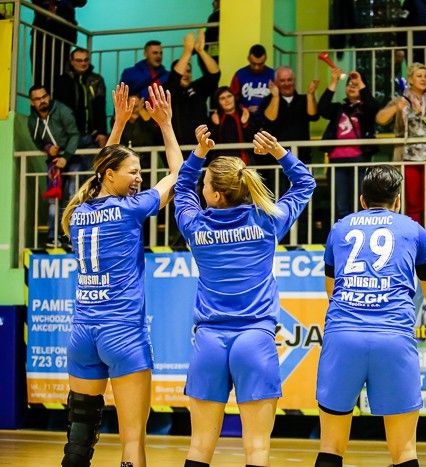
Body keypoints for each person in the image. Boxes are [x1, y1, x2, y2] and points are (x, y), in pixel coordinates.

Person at [58, 82, 183, 467]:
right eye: (134, 171)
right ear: (111, 174)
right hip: (123, 335)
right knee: (133, 442)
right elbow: (177, 173)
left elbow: (100, 173)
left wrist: (118, 125)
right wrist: (165, 124)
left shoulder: (77, 213)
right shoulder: (131, 209)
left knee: (79, 439)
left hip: (83, 336)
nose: (140, 178)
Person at [174, 130, 316, 467]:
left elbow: (181, 187)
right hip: (255, 340)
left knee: (199, 447)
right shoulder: (267, 220)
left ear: (217, 195)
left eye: (205, 184)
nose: (201, 188)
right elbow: (305, 184)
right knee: (257, 448)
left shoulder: (195, 225)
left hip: (209, 341)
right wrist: (280, 152)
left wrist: (198, 154)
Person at [315, 164, 426, 467]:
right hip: (393, 339)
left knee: (330, 447)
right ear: (398, 200)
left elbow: (331, 290)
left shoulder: (340, 228)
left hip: (344, 337)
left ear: (362, 200)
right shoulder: (414, 230)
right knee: (404, 451)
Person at [375, 62, 426, 241]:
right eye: (419, 76)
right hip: (408, 158)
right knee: (412, 203)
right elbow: (380, 119)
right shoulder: (402, 98)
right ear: (411, 79)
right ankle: (414, 240)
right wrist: (395, 108)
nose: (423, 79)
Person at [318, 68, 379, 220]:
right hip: (337, 160)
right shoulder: (339, 108)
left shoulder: (366, 108)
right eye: (349, 84)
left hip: (359, 159)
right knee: (340, 205)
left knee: (360, 203)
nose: (352, 86)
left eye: (356, 85)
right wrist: (334, 81)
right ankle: (343, 233)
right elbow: (322, 109)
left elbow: (373, 108)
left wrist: (361, 84)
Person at [27, 83, 80, 247]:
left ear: (48, 96)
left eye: (44, 96)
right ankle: (52, 236)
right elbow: (37, 141)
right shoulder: (32, 120)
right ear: (32, 102)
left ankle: (69, 236)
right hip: (53, 163)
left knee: (72, 196)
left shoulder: (62, 111)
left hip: (72, 159)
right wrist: (47, 148)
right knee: (53, 198)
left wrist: (66, 157)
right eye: (37, 99)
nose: (42, 101)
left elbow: (74, 135)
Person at [166, 30, 220, 146]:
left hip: (201, 144)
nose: (186, 74)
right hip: (178, 146)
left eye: (189, 71)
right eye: (183, 71)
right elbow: (175, 77)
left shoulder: (198, 87)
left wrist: (201, 51)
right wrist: (187, 52)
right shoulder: (168, 90)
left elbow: (215, 74)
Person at [54, 47, 108, 149]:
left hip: (92, 135)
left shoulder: (97, 80)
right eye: (79, 60)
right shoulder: (63, 81)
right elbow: (59, 110)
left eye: (86, 60)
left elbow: (101, 108)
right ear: (72, 62)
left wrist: (102, 132)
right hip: (69, 135)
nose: (83, 63)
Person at [30, 0, 87, 94]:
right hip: (41, 35)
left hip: (63, 37)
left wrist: (59, 2)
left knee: (59, 74)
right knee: (40, 74)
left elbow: (81, 2)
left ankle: (56, 99)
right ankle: (41, 99)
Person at [209, 86, 254, 165]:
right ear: (218, 102)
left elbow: (253, 140)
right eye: (222, 98)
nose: (227, 100)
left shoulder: (245, 114)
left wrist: (245, 124)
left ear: (234, 97)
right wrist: (216, 126)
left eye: (229, 96)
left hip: (244, 162)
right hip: (222, 164)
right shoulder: (214, 118)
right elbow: (211, 145)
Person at [230, 44, 276, 114]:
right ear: (248, 58)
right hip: (245, 116)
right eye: (253, 64)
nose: (256, 67)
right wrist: (245, 109)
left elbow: (279, 99)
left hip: (269, 116)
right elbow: (232, 99)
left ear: (266, 59)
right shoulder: (239, 75)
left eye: (260, 64)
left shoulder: (273, 75)